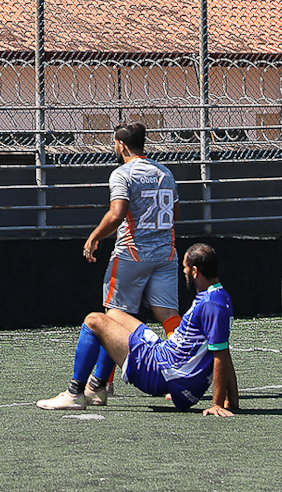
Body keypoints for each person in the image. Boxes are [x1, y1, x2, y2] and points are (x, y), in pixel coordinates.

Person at [37, 242, 238, 415]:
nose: (183, 273)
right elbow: (224, 350)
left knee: (93, 321)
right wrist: (233, 400)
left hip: (160, 370)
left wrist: (217, 404)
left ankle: (74, 393)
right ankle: (97, 387)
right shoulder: (219, 297)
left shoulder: (211, 305)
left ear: (195, 271)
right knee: (113, 314)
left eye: (185, 269)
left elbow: (220, 354)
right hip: (164, 356)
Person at [81, 121, 181, 404]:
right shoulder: (164, 172)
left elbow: (117, 214)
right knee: (168, 314)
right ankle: (180, 373)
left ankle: (102, 383)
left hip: (132, 253)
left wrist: (94, 237)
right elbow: (175, 212)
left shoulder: (122, 173)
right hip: (165, 253)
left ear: (121, 145)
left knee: (112, 316)